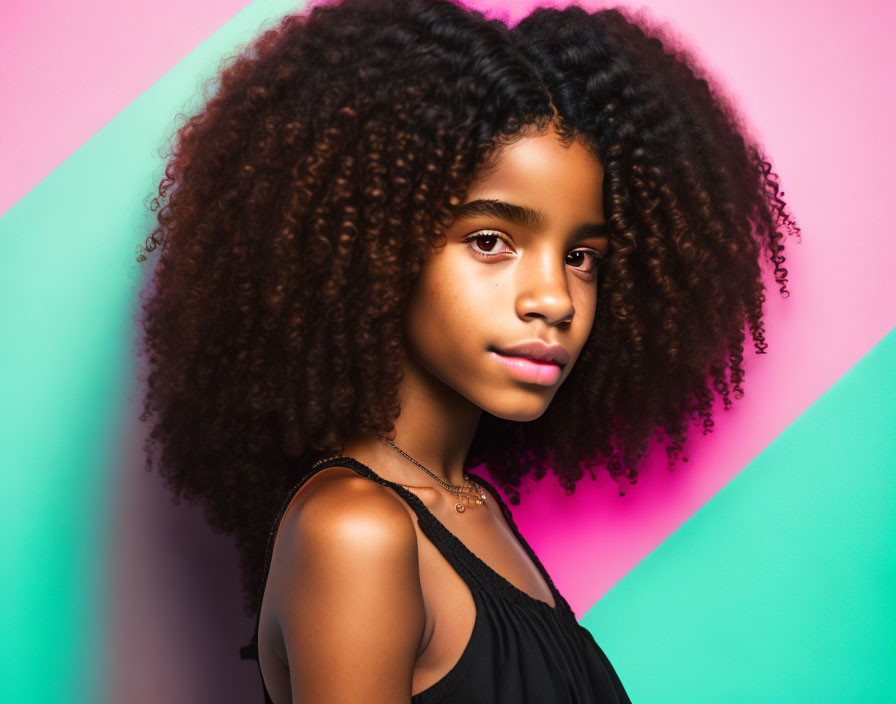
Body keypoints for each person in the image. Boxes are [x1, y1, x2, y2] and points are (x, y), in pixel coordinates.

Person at [134, 0, 798, 701]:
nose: (555, 299)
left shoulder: (472, 508)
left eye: (581, 256)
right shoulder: (356, 530)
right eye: (491, 241)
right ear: (377, 244)